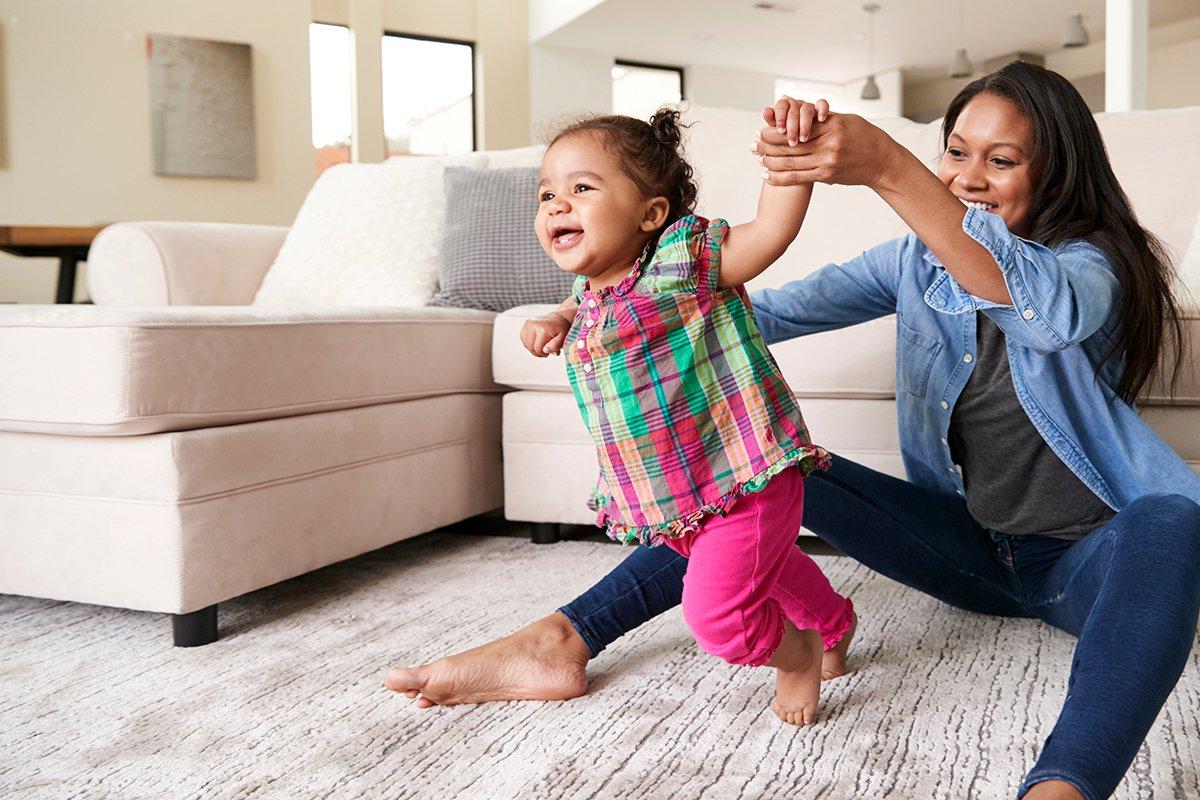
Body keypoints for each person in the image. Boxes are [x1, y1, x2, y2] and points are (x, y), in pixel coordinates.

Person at [385, 62, 1200, 799]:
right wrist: (598, 305)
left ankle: (1062, 787)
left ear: (1054, 172)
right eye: (956, 153)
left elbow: (1037, 309)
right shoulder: (913, 264)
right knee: (772, 469)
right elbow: (747, 309)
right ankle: (564, 638)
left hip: (1088, 564)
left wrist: (888, 164)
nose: (969, 178)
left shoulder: (1094, 265)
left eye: (1002, 160)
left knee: (1172, 520)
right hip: (970, 549)